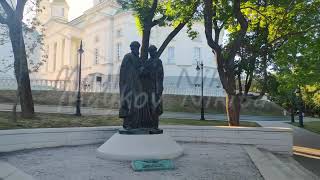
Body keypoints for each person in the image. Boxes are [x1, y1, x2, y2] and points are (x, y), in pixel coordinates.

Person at [119, 41, 153, 130]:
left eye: (137, 48)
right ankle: (128, 124)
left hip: (137, 85)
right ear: (132, 48)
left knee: (138, 103)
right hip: (130, 85)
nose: (136, 49)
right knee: (130, 104)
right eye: (134, 48)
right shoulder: (128, 57)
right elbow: (124, 71)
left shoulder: (137, 58)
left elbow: (140, 70)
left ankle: (136, 123)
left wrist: (144, 71)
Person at [142, 45, 164, 129]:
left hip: (156, 87)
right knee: (149, 107)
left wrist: (160, 87)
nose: (152, 53)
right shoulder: (147, 62)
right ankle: (150, 124)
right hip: (149, 87)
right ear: (149, 52)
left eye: (154, 51)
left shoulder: (158, 61)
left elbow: (161, 74)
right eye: (151, 51)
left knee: (156, 107)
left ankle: (155, 125)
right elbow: (144, 74)